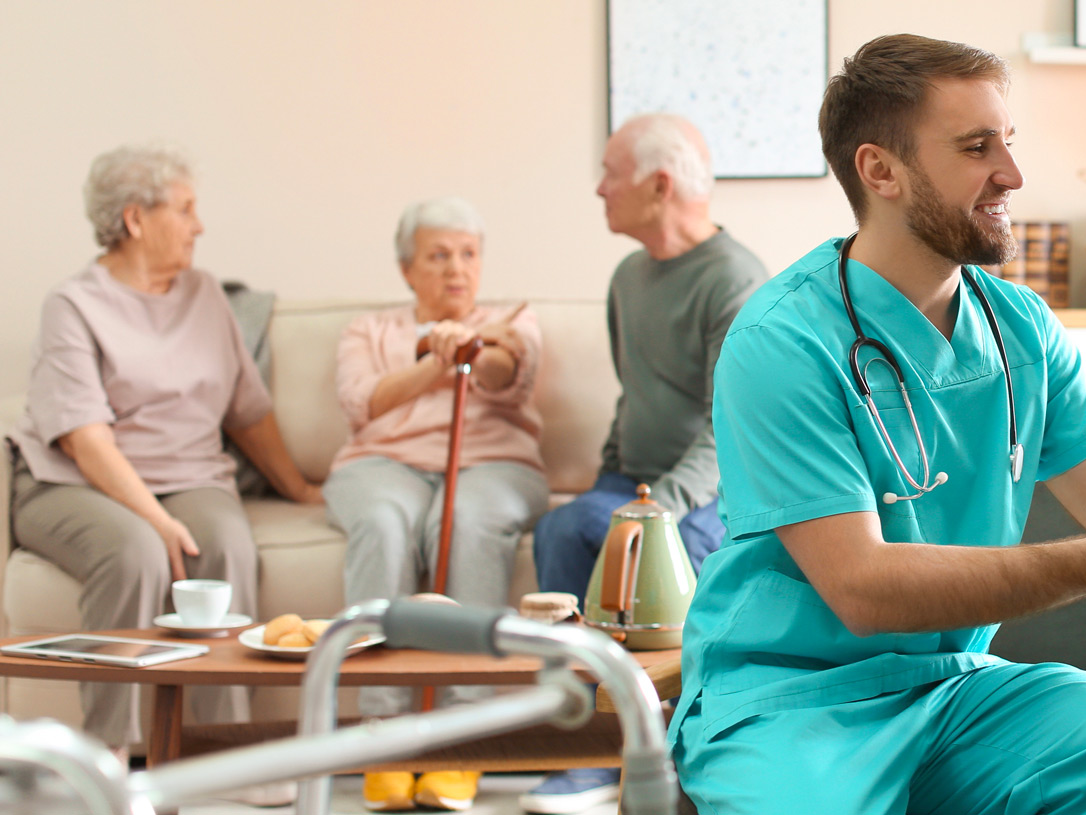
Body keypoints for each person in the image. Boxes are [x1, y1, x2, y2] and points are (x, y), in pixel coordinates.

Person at [665, 34, 1086, 815]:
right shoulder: (781, 342)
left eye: (1007, 141)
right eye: (976, 147)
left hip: (955, 692)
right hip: (790, 699)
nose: (1012, 174)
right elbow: (861, 588)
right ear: (880, 170)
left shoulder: (1022, 329)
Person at [7, 144, 321, 783]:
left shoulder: (205, 295)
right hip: (71, 480)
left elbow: (247, 412)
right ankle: (107, 759)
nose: (198, 225)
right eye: (184, 209)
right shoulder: (73, 305)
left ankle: (220, 750)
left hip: (189, 475)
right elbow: (85, 440)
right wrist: (154, 519)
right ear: (134, 220)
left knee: (227, 546)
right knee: (135, 553)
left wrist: (300, 489)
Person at [519, 114, 766, 814]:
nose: (598, 189)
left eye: (609, 174)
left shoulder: (736, 280)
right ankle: (588, 754)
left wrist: (661, 507)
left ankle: (677, 754)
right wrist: (614, 478)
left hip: (708, 492)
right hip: (632, 479)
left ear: (659, 185)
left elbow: (734, 424)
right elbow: (637, 396)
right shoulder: (628, 277)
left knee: (675, 559)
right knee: (563, 531)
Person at [322, 196, 546, 812]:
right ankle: (382, 735)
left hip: (492, 465)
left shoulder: (513, 319)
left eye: (469, 254)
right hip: (381, 466)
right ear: (407, 269)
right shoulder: (367, 331)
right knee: (385, 523)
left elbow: (504, 371)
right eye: (439, 255)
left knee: (468, 518)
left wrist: (475, 347)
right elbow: (363, 403)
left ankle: (465, 736)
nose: (457, 269)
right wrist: (437, 357)